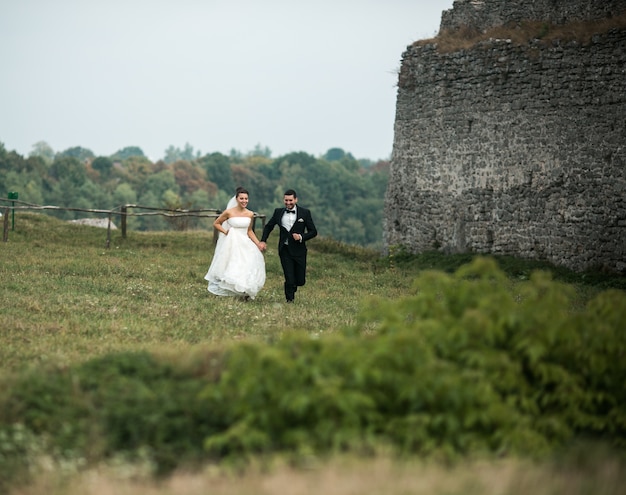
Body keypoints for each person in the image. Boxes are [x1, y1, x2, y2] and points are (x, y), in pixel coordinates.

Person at [204, 187, 266, 299]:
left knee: (246, 264)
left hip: (245, 242)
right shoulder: (229, 212)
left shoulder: (250, 214)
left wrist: (258, 243)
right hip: (232, 242)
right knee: (233, 264)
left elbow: (249, 230)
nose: (244, 201)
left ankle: (244, 291)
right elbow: (216, 223)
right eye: (241, 198)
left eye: (246, 199)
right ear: (237, 199)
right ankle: (230, 290)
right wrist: (225, 232)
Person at [258, 189, 317, 303]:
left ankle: (294, 285)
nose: (288, 202)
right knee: (289, 278)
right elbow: (269, 226)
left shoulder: (305, 213)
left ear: (296, 199)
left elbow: (313, 231)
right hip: (285, 250)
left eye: (290, 200)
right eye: (286, 200)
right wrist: (263, 240)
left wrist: (301, 237)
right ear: (283, 200)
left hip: (299, 251)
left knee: (300, 280)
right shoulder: (278, 212)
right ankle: (289, 300)